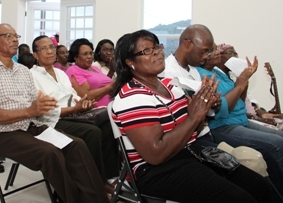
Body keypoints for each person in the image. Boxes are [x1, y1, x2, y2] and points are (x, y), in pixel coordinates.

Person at [110, 29, 279, 203]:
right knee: (239, 199)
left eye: (157, 47)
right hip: (156, 171)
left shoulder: (170, 86)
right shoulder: (132, 98)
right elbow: (156, 155)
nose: (157, 53)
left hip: (189, 152)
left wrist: (203, 107)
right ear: (130, 62)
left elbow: (194, 131)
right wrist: (194, 116)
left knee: (259, 187)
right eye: (146, 51)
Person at [0, 23, 109, 203]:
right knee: (50, 153)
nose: (14, 40)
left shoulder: (22, 71)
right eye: (8, 36)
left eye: (16, 36)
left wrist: (42, 105)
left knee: (76, 145)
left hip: (30, 125)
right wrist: (30, 110)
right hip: (2, 133)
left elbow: (35, 105)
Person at [161, 24, 283, 192]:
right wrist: (207, 104)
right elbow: (183, 112)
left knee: (264, 156)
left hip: (204, 134)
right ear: (187, 44)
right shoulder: (168, 72)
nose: (205, 57)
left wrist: (213, 103)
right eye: (204, 51)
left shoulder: (194, 72)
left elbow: (209, 109)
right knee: (264, 154)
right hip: (192, 140)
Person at [31, 35, 119, 195]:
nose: (50, 51)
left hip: (74, 113)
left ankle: (110, 176)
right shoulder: (31, 76)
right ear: (35, 55)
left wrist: (83, 103)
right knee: (92, 132)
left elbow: (72, 95)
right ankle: (93, 182)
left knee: (108, 124)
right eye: (43, 49)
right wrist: (74, 109)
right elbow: (44, 110)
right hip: (52, 120)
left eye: (52, 47)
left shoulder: (60, 73)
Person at [197, 43, 283, 171]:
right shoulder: (203, 75)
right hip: (224, 125)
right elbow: (223, 110)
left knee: (280, 136)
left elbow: (241, 103)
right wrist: (239, 85)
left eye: (217, 49)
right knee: (277, 144)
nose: (217, 53)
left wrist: (244, 80)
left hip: (241, 120)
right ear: (202, 57)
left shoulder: (218, 72)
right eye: (212, 50)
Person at [66, 38, 114, 107]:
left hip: (111, 105)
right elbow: (86, 96)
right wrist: (110, 87)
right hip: (97, 112)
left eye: (91, 53)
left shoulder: (95, 68)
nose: (89, 57)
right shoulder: (73, 70)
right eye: (85, 54)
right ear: (75, 57)